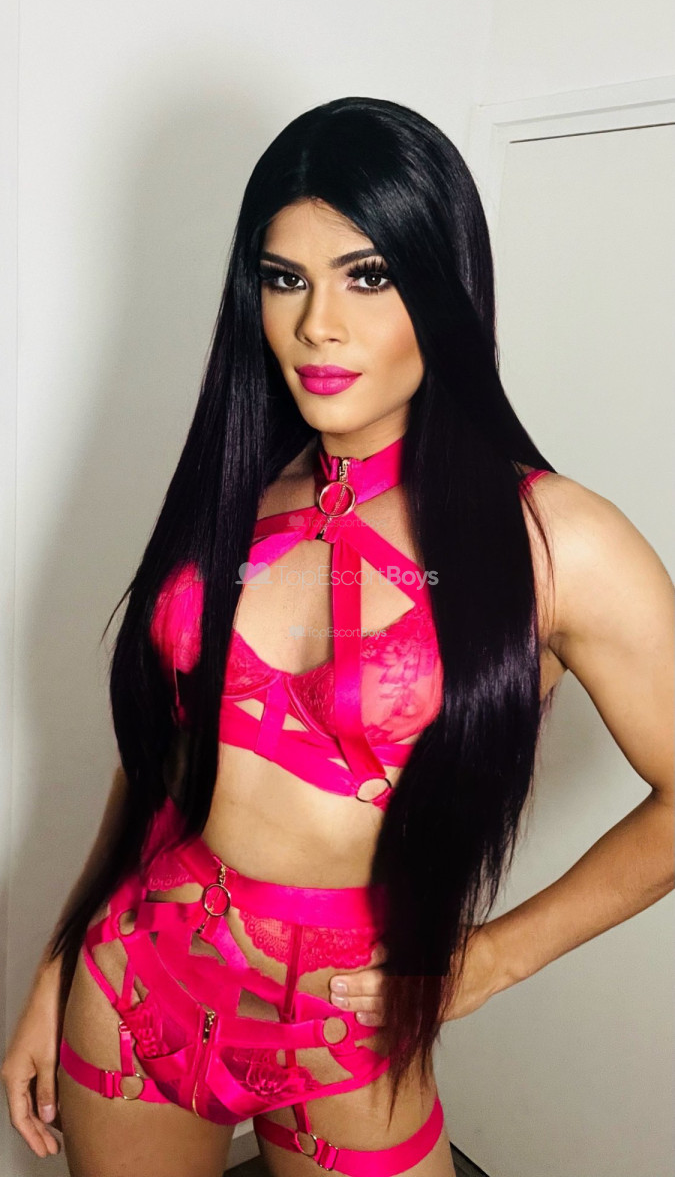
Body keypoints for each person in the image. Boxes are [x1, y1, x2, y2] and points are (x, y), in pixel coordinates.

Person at [2, 96, 673, 1177]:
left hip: (350, 1029)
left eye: (367, 276)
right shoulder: (235, 497)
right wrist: (59, 960)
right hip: (133, 991)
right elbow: (160, 762)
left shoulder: (556, 543)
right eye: (285, 278)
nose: (318, 324)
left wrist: (492, 960)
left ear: (442, 286)